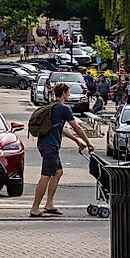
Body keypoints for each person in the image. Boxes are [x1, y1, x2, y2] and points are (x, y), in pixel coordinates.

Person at [29, 83, 93, 218]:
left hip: (46, 144)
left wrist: (76, 140)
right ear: (63, 93)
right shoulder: (64, 108)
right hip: (50, 146)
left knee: (58, 172)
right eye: (68, 93)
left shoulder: (53, 107)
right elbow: (77, 127)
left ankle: (49, 204)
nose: (69, 95)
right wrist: (88, 142)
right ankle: (35, 208)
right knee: (46, 175)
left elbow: (60, 128)